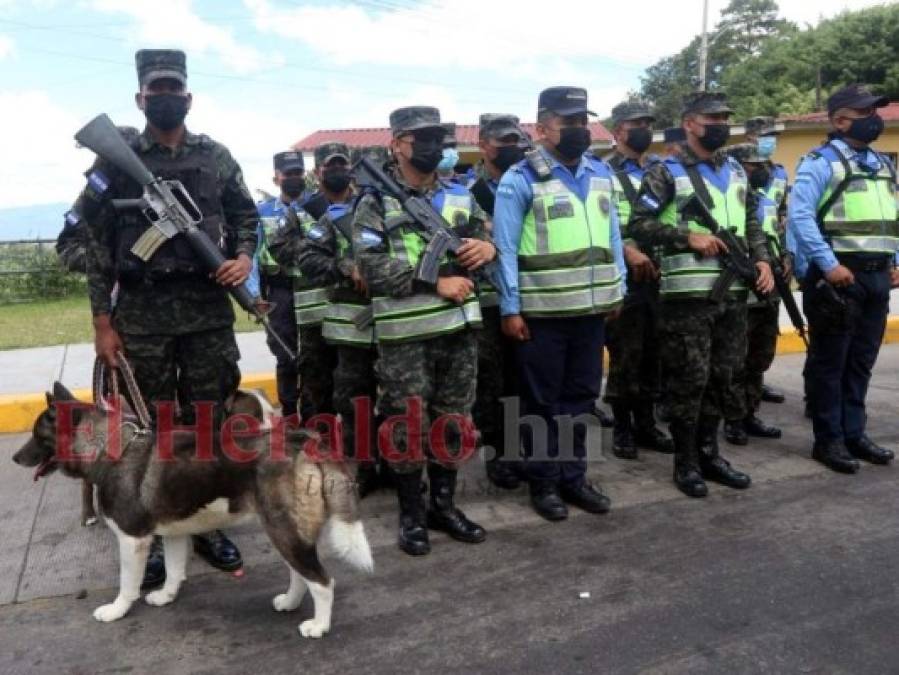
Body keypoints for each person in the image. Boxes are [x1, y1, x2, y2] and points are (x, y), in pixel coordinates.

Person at [79, 49, 257, 586]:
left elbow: (246, 216)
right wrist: (103, 323)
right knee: (150, 429)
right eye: (155, 90)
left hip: (205, 311)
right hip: (144, 313)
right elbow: (95, 241)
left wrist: (244, 258)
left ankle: (201, 521)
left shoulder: (216, 156)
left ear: (188, 96)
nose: (165, 97)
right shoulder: (116, 160)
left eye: (173, 89)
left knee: (207, 422)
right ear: (140, 97)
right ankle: (151, 529)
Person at [353, 106, 493, 555]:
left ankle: (444, 505)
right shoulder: (374, 203)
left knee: (455, 419)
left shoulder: (459, 195)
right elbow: (371, 266)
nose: (433, 146)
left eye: (438, 138)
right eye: (422, 138)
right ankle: (412, 513)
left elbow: (484, 239)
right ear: (397, 143)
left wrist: (485, 248)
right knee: (407, 426)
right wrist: (433, 279)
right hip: (404, 338)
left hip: (458, 330)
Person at [629, 91, 774, 498]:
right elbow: (639, 223)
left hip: (733, 295)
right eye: (712, 118)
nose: (721, 125)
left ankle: (711, 453)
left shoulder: (737, 170)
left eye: (726, 117)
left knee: (723, 376)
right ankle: (686, 461)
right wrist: (686, 236)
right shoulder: (665, 171)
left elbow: (752, 223)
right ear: (689, 123)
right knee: (688, 380)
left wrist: (762, 261)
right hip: (687, 297)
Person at [493, 86, 626, 521]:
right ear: (541, 128)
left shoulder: (601, 173)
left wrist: (617, 287)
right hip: (543, 314)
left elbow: (613, 238)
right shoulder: (521, 178)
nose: (578, 130)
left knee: (582, 398)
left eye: (581, 122)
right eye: (568, 123)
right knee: (542, 403)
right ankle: (545, 483)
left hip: (591, 313)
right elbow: (505, 248)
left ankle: (574, 478)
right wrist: (511, 307)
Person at [787, 84, 898, 473]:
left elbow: (890, 214)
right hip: (838, 276)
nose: (874, 119)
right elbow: (800, 217)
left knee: (861, 361)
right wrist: (828, 264)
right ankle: (828, 440)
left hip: (876, 275)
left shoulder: (883, 164)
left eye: (874, 111)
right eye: (865, 112)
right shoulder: (821, 162)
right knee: (830, 363)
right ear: (839, 120)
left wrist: (895, 257)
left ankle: (855, 433)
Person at [296, 142, 385, 495]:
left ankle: (397, 464)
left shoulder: (393, 210)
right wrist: (346, 267)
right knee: (355, 401)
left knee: (398, 401)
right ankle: (364, 465)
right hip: (352, 328)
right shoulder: (331, 217)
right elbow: (307, 259)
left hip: (399, 322)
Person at [603, 100, 673, 460]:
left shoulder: (661, 169)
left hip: (660, 274)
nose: (644, 129)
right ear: (618, 132)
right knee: (625, 354)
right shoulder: (600, 171)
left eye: (648, 122)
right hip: (624, 275)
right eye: (636, 124)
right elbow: (600, 220)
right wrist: (628, 250)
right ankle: (623, 427)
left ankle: (647, 423)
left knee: (654, 352)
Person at [468, 113, 527, 489]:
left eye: (515, 140)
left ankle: (524, 445)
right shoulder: (469, 192)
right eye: (502, 141)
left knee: (524, 378)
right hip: (489, 300)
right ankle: (499, 453)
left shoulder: (530, 182)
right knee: (492, 382)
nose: (511, 147)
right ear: (484, 144)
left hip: (526, 295)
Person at [721, 143, 785, 445]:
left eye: (762, 165)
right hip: (738, 285)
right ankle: (733, 419)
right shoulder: (725, 198)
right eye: (751, 165)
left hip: (768, 281)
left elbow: (773, 233)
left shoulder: (764, 199)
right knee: (736, 358)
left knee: (760, 354)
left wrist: (785, 259)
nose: (759, 171)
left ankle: (750, 413)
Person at [251, 151, 315, 419]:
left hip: (312, 288)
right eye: (288, 174)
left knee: (314, 356)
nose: (294, 179)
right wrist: (253, 295)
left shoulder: (316, 207)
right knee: (285, 355)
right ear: (276, 178)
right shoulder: (262, 212)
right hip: (278, 291)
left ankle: (313, 416)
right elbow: (252, 255)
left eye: (298, 173)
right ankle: (289, 414)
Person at [744, 115, 790, 404]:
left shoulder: (780, 174)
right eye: (763, 135)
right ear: (749, 137)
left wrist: (786, 255)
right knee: (740, 340)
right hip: (744, 263)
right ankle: (736, 408)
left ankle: (753, 392)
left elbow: (782, 219)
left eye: (772, 135)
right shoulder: (734, 169)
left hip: (772, 260)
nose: (768, 140)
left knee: (764, 337)